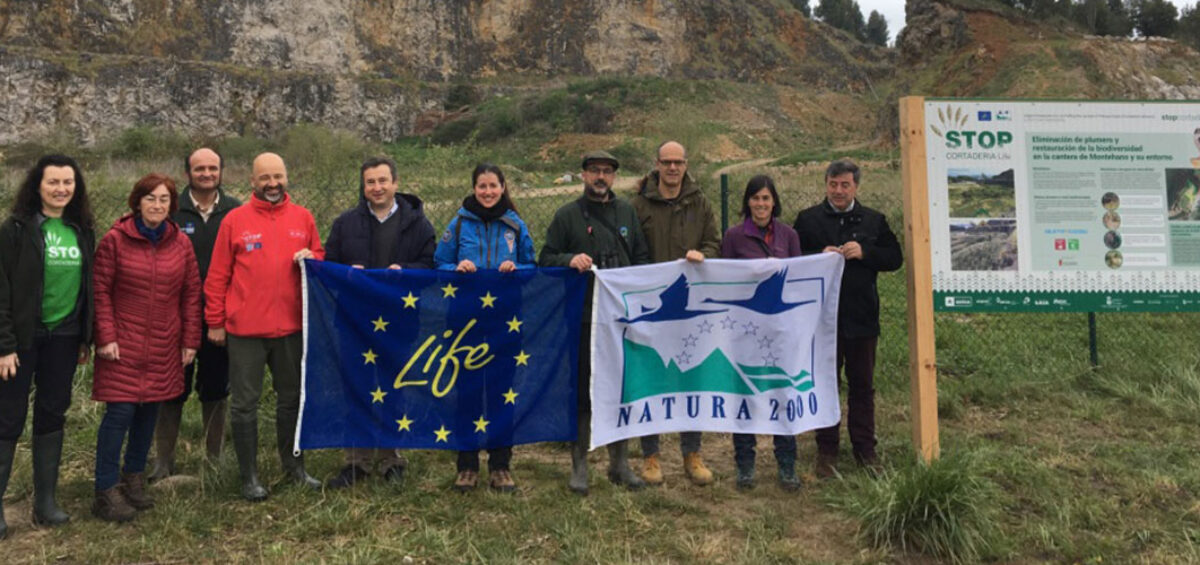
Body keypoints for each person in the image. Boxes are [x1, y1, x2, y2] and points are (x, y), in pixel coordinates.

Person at [205, 152, 324, 501]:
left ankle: (294, 467)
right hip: (246, 331)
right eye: (265, 178)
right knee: (245, 404)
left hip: (292, 327)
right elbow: (217, 276)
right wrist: (215, 322)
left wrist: (313, 258)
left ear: (286, 177)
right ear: (252, 182)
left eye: (278, 177)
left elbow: (320, 257)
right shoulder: (235, 220)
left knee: (292, 399)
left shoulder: (303, 217)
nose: (273, 184)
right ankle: (250, 477)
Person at [91, 174, 202, 522]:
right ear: (137, 202)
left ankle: (134, 477)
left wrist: (190, 340)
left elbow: (191, 294)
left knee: (148, 413)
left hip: (163, 344)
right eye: (150, 198)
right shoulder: (115, 240)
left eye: (164, 199)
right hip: (121, 344)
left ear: (172, 205)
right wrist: (105, 336)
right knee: (120, 414)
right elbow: (100, 291)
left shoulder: (180, 244)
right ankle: (106, 489)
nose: (157, 205)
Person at [539, 150, 650, 496]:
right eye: (594, 171)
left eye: (606, 171)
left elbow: (642, 257)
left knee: (621, 389)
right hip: (583, 317)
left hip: (620, 319)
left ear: (614, 177)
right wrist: (569, 259)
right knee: (583, 392)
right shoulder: (567, 216)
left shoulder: (627, 212)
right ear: (584, 175)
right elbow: (545, 258)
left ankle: (620, 463)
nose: (601, 177)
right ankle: (580, 465)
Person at [323, 156, 436, 489]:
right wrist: (346, 273)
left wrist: (406, 272)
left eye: (383, 180)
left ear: (395, 183)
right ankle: (355, 461)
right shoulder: (345, 223)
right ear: (364, 187)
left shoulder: (419, 224)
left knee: (393, 389)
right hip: (355, 321)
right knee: (356, 388)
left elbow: (431, 267)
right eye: (370, 182)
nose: (377, 187)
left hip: (398, 322)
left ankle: (391, 459)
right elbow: (329, 266)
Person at [0, 155, 95, 538]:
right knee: (8, 418)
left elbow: (87, 286)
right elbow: (2, 289)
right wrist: (4, 345)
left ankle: (46, 502)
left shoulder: (81, 229)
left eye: (67, 182)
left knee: (53, 413)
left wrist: (85, 336)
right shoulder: (15, 229)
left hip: (64, 337)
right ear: (37, 185)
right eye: (53, 182)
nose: (61, 189)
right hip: (21, 340)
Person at [793, 159, 902, 478]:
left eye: (845, 185)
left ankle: (865, 449)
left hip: (861, 318)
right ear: (825, 184)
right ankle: (827, 450)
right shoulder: (808, 220)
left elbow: (894, 258)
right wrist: (817, 257)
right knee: (826, 384)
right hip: (821, 321)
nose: (838, 191)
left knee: (862, 386)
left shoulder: (874, 221)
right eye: (833, 184)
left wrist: (866, 253)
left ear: (856, 186)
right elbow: (792, 259)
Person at [434, 163, 535, 493]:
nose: (488, 192)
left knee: (501, 392)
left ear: (503, 187)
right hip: (466, 322)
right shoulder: (459, 223)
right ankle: (466, 466)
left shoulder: (515, 225)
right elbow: (439, 262)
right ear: (474, 188)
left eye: (493, 186)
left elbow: (532, 265)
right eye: (482, 186)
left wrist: (516, 267)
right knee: (467, 392)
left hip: (504, 321)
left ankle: (501, 465)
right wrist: (456, 266)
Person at [630, 140, 720, 487]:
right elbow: (631, 250)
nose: (672, 168)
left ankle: (692, 453)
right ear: (657, 164)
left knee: (690, 376)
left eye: (677, 162)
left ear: (686, 164)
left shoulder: (700, 202)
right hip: (652, 306)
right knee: (650, 377)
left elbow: (715, 243)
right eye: (666, 162)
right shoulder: (639, 204)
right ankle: (650, 456)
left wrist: (704, 254)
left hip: (690, 308)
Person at [151, 148, 241, 480]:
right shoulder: (171, 210)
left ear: (221, 171)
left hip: (220, 318)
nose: (206, 173)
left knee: (216, 388)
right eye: (199, 168)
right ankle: (163, 461)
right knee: (171, 387)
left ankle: (214, 461)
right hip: (175, 319)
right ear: (187, 172)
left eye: (212, 168)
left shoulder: (235, 211)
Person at [720, 175, 802, 491]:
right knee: (745, 395)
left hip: (780, 331)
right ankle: (745, 464)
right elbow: (725, 279)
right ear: (748, 202)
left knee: (783, 393)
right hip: (745, 330)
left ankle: (787, 463)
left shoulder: (789, 236)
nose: (761, 204)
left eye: (766, 198)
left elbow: (798, 277)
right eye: (755, 198)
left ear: (774, 202)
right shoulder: (733, 236)